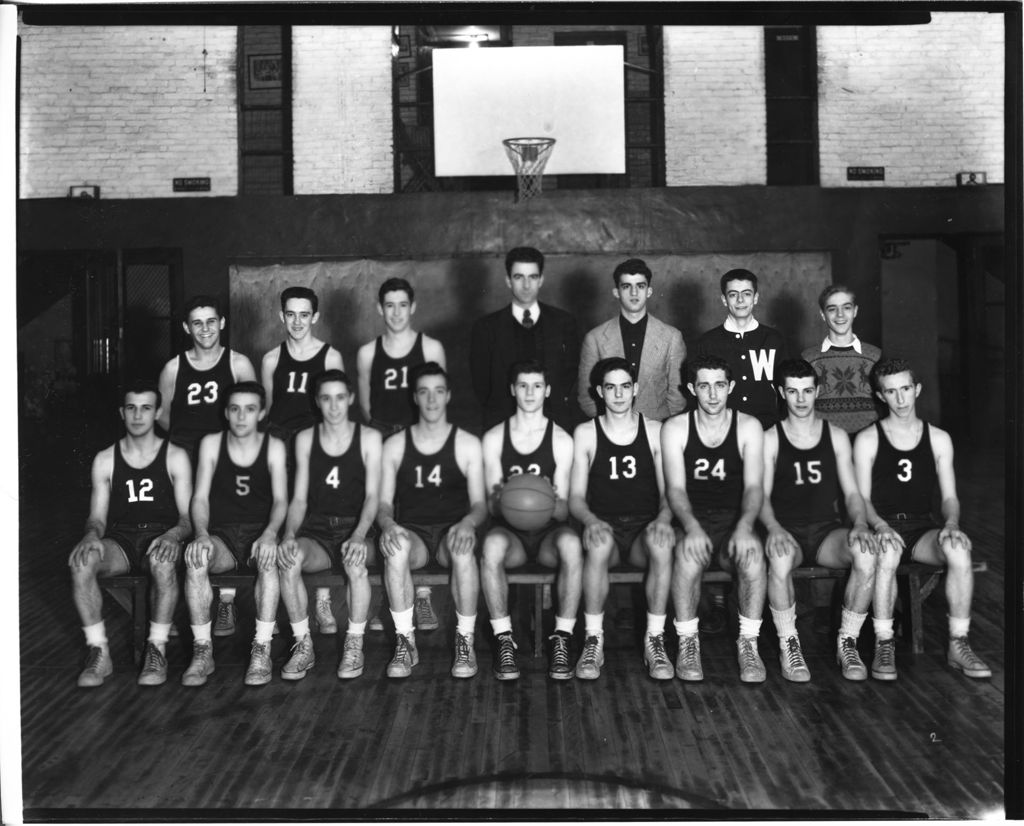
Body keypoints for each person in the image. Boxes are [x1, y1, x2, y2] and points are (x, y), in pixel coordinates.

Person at [853, 358, 991, 680]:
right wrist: (881, 526)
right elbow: (861, 500)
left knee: (958, 550)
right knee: (886, 551)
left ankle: (959, 643)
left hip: (920, 527)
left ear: (917, 389)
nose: (900, 400)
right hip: (882, 525)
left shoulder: (939, 438)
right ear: (880, 396)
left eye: (905, 389)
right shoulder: (868, 439)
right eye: (891, 392)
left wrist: (952, 524)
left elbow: (949, 497)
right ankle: (884, 643)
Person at [759, 359, 879, 682]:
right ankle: (790, 644)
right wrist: (772, 529)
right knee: (779, 559)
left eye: (807, 391)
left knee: (867, 553)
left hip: (827, 533)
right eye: (793, 392)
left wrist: (860, 524)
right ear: (781, 392)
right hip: (787, 532)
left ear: (818, 392)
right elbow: (760, 498)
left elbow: (853, 494)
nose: (801, 399)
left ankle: (848, 641)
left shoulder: (836, 436)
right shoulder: (770, 438)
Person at [69, 381, 193, 688]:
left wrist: (172, 537)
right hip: (122, 541)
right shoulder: (105, 459)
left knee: (163, 565)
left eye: (146, 408)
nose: (138, 415)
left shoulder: (175, 456)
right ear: (121, 413)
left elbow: (187, 518)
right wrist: (89, 537)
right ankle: (99, 652)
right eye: (131, 408)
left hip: (163, 537)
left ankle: (157, 648)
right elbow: (97, 519)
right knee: (81, 563)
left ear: (158, 413)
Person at [376, 363, 487, 678]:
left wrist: (467, 523)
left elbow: (480, 505)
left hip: (452, 532)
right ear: (415, 397)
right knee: (395, 548)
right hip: (415, 535)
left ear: (448, 395)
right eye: (424, 392)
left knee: (464, 550)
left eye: (438, 391)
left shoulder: (467, 443)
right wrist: (388, 525)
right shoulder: (395, 445)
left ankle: (465, 640)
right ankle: (405, 641)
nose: (432, 399)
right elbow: (383, 504)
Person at [568, 357, 676, 681]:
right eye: (611, 387)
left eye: (625, 386)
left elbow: (670, 492)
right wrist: (590, 521)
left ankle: (654, 639)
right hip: (605, 526)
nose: (618, 394)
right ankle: (593, 638)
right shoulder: (586, 433)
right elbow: (574, 498)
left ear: (636, 389)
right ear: (599, 392)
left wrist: (663, 520)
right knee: (598, 548)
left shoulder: (656, 430)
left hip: (645, 525)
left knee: (662, 546)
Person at [661, 354, 767, 682]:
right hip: (693, 517)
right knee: (687, 557)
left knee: (752, 557)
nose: (712, 394)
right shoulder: (675, 428)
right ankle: (688, 642)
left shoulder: (749, 426)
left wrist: (746, 527)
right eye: (704, 386)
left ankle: (748, 644)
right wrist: (691, 527)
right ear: (692, 388)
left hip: (735, 520)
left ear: (730, 387)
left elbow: (753, 487)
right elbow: (675, 491)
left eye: (719, 385)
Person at [158, 295, 256, 635]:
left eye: (211, 321)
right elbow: (166, 417)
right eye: (197, 323)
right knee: (186, 525)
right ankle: (173, 609)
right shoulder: (173, 368)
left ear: (222, 324)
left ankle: (226, 601)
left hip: (227, 458)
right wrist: (189, 449)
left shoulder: (238, 364)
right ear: (187, 328)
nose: (205, 329)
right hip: (187, 457)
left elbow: (254, 409)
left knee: (225, 524)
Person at [480, 360, 583, 680]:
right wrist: (513, 500)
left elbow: (565, 509)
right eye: (523, 385)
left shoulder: (562, 440)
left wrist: (543, 502)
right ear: (513, 389)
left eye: (537, 386)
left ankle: (562, 638)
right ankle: (503, 639)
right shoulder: (495, 438)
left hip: (549, 533)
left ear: (547, 391)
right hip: (511, 535)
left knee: (571, 544)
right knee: (492, 546)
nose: (529, 392)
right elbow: (492, 506)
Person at [276, 370, 382, 680]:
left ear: (350, 399)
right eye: (326, 399)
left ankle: (354, 643)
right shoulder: (306, 439)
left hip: (358, 527)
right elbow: (299, 500)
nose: (334, 407)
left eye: (340, 398)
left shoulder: (370, 438)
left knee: (356, 563)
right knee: (288, 560)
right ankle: (303, 644)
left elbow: (374, 495)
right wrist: (289, 536)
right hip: (318, 531)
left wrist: (360, 535)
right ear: (317, 402)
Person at [181, 381, 288, 687]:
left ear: (262, 413)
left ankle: (262, 650)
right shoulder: (211, 444)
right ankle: (203, 651)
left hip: (259, 536)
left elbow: (281, 500)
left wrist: (270, 534)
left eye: (250, 409)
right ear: (226, 412)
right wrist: (200, 533)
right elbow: (199, 498)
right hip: (223, 537)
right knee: (196, 559)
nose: (242, 416)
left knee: (269, 561)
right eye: (235, 409)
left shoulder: (274, 447)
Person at [355, 277, 446, 631]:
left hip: (419, 435)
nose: (396, 312)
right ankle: (385, 602)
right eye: (389, 305)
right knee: (382, 510)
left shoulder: (430, 348)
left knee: (419, 508)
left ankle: (421, 596)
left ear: (413, 307)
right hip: (381, 432)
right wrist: (384, 434)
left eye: (402, 305)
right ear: (380, 309)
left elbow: (437, 397)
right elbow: (365, 404)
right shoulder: (367, 352)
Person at [470, 246, 580, 431]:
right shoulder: (486, 328)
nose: (526, 285)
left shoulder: (564, 323)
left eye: (533, 277)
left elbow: (568, 376)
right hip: (502, 425)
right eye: (519, 277)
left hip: (554, 424)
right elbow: (482, 385)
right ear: (508, 280)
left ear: (541, 280)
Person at [577, 258, 687, 421]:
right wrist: (610, 426)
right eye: (626, 286)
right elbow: (586, 397)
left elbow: (678, 397)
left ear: (649, 291)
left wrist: (658, 425)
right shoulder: (595, 338)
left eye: (640, 286)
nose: (634, 293)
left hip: (656, 431)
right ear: (616, 292)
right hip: (609, 434)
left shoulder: (672, 337)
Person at [692, 269, 788, 430]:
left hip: (768, 429)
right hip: (722, 431)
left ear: (756, 298)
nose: (740, 300)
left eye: (747, 293)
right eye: (733, 294)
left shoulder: (774, 339)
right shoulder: (707, 342)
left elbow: (787, 389)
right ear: (724, 300)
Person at [261, 286, 345, 441]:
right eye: (291, 314)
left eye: (304, 315)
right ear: (282, 316)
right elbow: (267, 409)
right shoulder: (270, 360)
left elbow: (339, 408)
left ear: (314, 317)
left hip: (316, 438)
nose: (297, 322)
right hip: (278, 437)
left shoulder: (331, 358)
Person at [801, 285, 882, 435]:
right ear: (823, 315)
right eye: (832, 309)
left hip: (870, 441)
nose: (840, 315)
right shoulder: (807, 358)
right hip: (824, 441)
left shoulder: (876, 356)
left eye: (846, 308)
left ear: (855, 311)